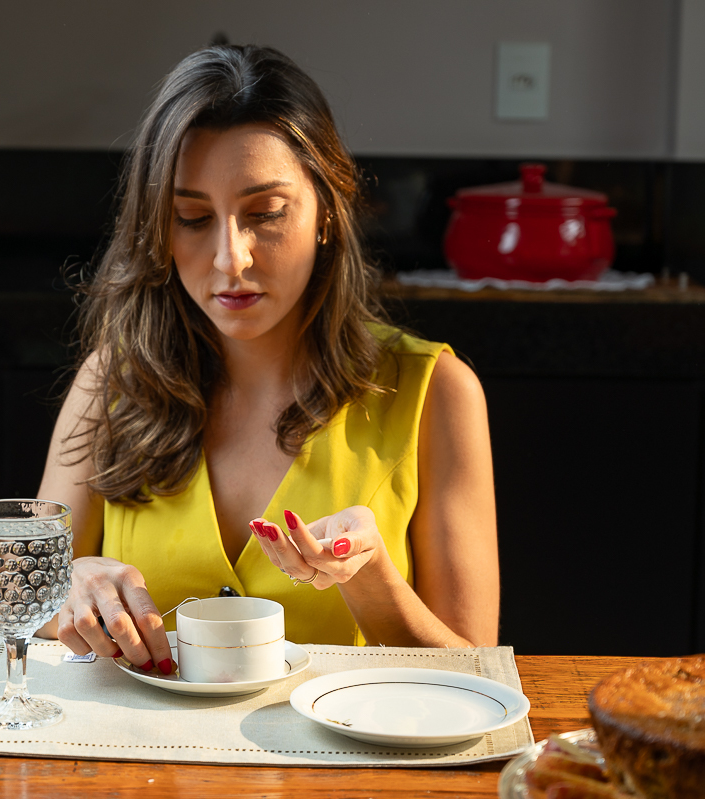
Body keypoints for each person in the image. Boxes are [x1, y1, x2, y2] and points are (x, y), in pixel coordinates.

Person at [30, 44, 498, 674]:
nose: (232, 258)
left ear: (326, 211)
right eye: (192, 217)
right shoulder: (110, 382)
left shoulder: (437, 391)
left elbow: (478, 676)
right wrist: (67, 588)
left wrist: (369, 579)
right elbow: (5, 629)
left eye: (266, 213)